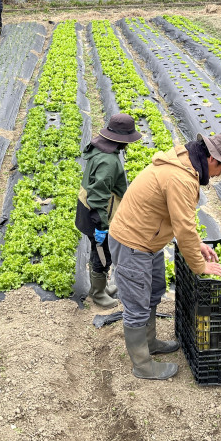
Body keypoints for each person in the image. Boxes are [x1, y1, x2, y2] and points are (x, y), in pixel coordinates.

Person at [108, 132, 221, 380]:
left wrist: (198, 243)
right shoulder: (181, 178)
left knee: (154, 290)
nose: (218, 176)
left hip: (148, 241)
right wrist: (200, 266)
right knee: (137, 305)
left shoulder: (186, 163)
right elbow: (183, 228)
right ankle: (142, 365)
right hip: (132, 243)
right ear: (212, 159)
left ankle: (150, 343)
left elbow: (179, 221)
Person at [75, 114, 142, 308]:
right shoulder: (109, 162)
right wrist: (101, 224)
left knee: (100, 251)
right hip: (97, 215)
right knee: (102, 253)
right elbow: (98, 194)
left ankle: (101, 287)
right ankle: (97, 293)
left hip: (88, 209)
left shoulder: (100, 150)